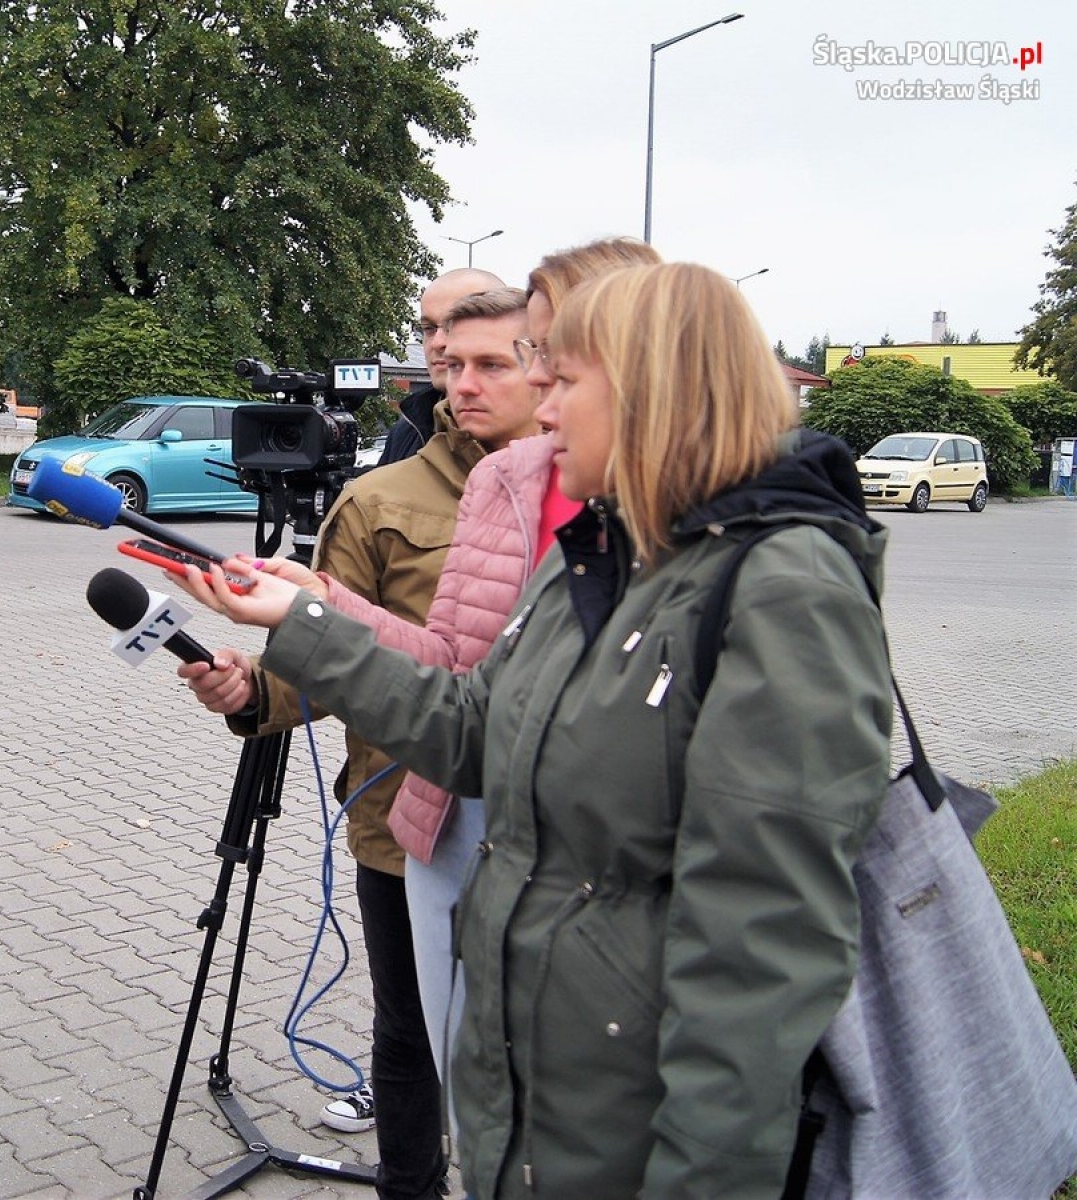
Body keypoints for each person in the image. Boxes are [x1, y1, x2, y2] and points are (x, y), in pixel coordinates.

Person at [177, 262, 894, 1198]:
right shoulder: (596, 554)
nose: (539, 413)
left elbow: (760, 957)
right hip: (538, 1108)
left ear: (653, 390)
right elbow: (473, 731)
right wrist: (298, 622)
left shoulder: (785, 586)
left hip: (636, 1129)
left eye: (559, 381)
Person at [188, 238, 659, 1091]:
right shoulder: (415, 493)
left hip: (580, 864)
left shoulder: (712, 530)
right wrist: (284, 644)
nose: (448, 365)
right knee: (421, 1040)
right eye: (437, 343)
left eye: (495, 354)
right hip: (417, 805)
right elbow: (448, 677)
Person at [183, 287, 539, 1199]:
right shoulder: (379, 498)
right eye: (443, 359)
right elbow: (323, 651)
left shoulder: (592, 493)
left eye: (487, 361)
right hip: (400, 810)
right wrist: (251, 691)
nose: (459, 381)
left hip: (543, 832)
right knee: (409, 1033)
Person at [379, 268, 507, 466]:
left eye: (453, 326)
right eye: (429, 328)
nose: (437, 343)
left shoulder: (552, 436)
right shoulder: (408, 430)